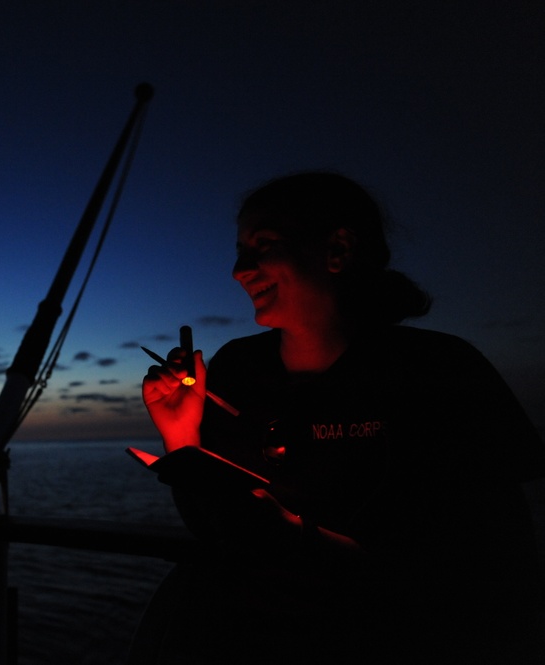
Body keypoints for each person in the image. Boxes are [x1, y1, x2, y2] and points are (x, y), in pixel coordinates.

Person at [133, 171, 545, 664]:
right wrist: (180, 436)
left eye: (263, 244)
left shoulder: (440, 370)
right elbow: (214, 527)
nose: (239, 270)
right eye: (240, 249)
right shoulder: (239, 369)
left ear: (338, 250)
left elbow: (495, 560)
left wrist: (303, 540)